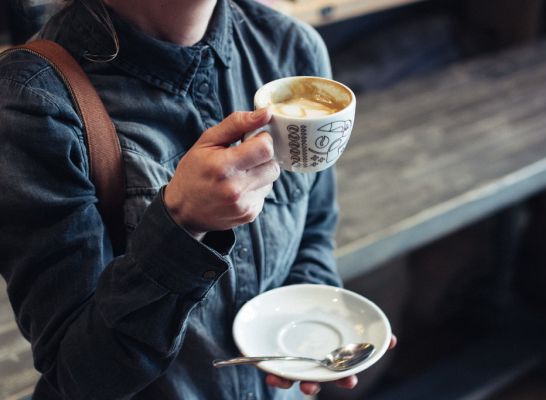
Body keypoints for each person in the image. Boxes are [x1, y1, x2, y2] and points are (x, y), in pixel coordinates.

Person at [0, 0, 395, 399]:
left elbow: (314, 228)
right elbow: (78, 377)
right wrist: (181, 224)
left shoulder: (290, 47)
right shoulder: (32, 101)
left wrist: (305, 335)